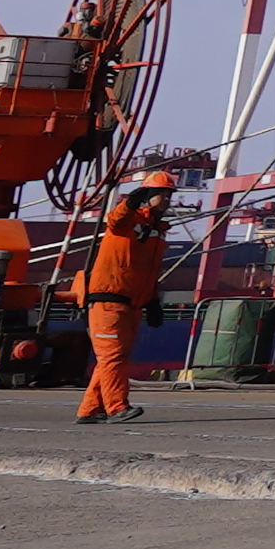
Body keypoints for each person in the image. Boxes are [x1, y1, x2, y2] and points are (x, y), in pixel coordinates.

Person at [73, 174, 174, 424]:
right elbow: (115, 219)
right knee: (112, 357)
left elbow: (149, 271)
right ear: (147, 197)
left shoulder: (157, 233)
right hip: (108, 302)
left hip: (132, 304)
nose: (167, 200)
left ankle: (90, 410)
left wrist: (152, 301)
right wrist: (130, 203)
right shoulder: (128, 221)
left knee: (113, 359)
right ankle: (117, 407)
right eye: (163, 194)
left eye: (169, 195)